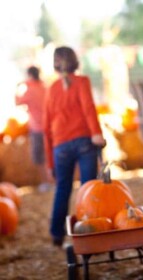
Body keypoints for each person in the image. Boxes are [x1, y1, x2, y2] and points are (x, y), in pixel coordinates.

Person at [43, 46, 106, 246]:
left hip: (60, 146)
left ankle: (56, 234)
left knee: (62, 188)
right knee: (88, 187)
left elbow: (46, 128)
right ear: (75, 61)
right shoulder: (82, 82)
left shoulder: (51, 90)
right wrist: (96, 133)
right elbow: (88, 107)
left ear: (55, 64)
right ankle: (89, 232)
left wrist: (50, 163)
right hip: (83, 141)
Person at [15, 66, 52, 192]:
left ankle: (46, 182)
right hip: (50, 126)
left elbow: (17, 102)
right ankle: (55, 181)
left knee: (39, 156)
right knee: (51, 154)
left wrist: (18, 87)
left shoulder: (29, 90)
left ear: (30, 75)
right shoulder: (45, 87)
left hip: (37, 127)